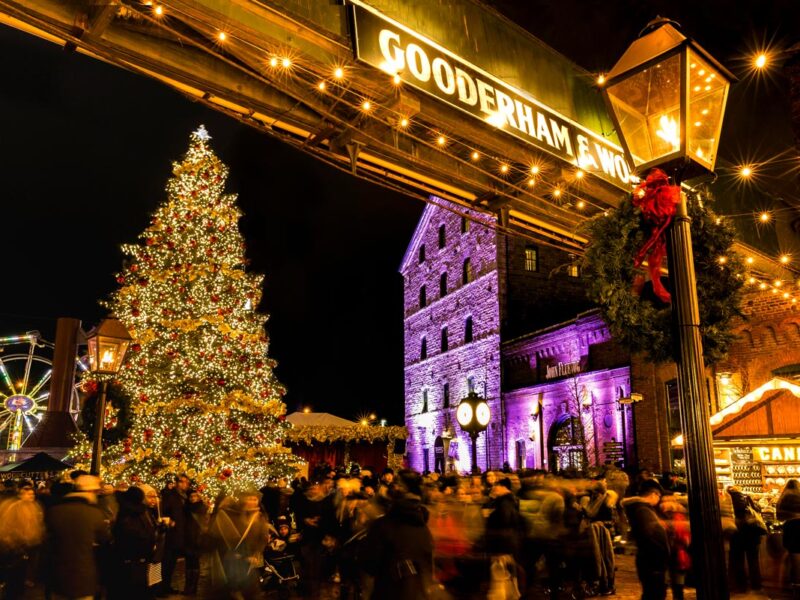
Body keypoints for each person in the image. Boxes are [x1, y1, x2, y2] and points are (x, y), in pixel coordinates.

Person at [362, 469, 433, 600]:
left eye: (397, 483)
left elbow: (369, 564)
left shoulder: (383, 525)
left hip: (388, 592)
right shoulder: (423, 525)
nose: (393, 485)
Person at [44, 474, 111, 600]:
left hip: (57, 575)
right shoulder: (94, 513)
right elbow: (104, 540)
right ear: (91, 491)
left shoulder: (55, 511)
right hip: (83, 576)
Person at [208, 490, 271, 599]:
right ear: (244, 500)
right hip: (234, 557)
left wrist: (257, 552)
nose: (252, 501)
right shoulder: (234, 513)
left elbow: (263, 537)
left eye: (254, 499)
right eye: (249, 499)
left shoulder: (260, 516)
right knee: (235, 586)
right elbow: (225, 532)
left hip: (250, 559)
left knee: (249, 587)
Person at [109, 486, 165, 600]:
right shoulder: (133, 512)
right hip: (135, 560)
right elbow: (136, 534)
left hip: (140, 560)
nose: (153, 499)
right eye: (149, 496)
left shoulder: (141, 511)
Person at [622, 480, 670, 600]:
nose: (659, 499)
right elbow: (651, 535)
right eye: (659, 496)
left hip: (649, 559)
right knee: (654, 594)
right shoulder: (643, 510)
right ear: (653, 494)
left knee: (653, 593)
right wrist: (662, 554)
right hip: (652, 560)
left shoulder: (643, 509)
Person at [0, 482, 45, 599]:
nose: (31, 496)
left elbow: (36, 524)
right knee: (14, 574)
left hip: (27, 545)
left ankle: (17, 590)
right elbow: (7, 525)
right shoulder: (14, 506)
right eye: (28, 494)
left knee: (20, 573)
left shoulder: (35, 506)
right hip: (15, 546)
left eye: (32, 494)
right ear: (21, 494)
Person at [728, 485, 765, 592]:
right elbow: (758, 509)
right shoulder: (747, 498)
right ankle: (756, 584)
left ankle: (741, 585)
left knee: (738, 560)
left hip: (737, 533)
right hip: (752, 533)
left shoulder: (727, 501)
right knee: (753, 560)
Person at [158, 473, 190, 596]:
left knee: (171, 563)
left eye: (187, 482)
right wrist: (168, 521)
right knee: (166, 562)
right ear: (177, 483)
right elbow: (163, 512)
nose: (185, 484)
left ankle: (167, 586)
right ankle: (161, 588)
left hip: (178, 535)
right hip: (170, 535)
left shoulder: (184, 497)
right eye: (182, 481)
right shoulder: (170, 495)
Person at [778, 479, 800, 585]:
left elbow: (778, 516)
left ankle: (796, 584)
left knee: (793, 556)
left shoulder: (783, 497)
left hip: (790, 527)